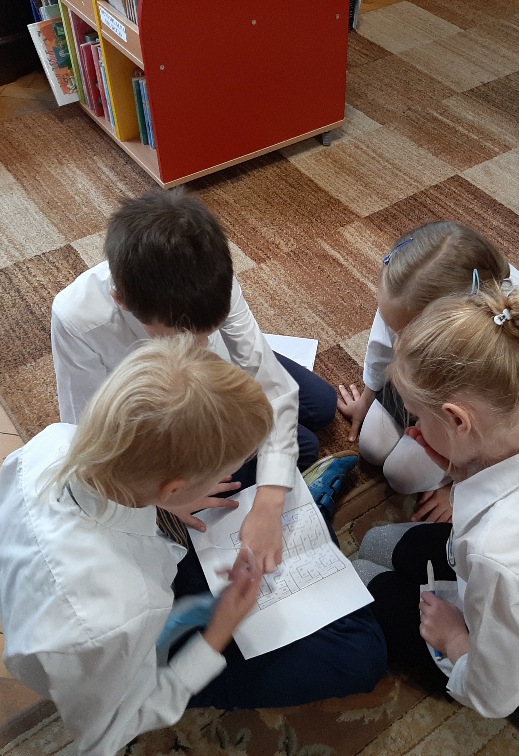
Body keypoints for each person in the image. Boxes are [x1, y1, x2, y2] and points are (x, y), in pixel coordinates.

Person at [0, 338, 386, 756]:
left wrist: (160, 502)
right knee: (361, 653)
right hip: (128, 654)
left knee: (287, 453)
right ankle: (307, 519)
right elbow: (113, 729)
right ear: (173, 486)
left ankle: (296, 513)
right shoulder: (120, 613)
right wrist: (218, 633)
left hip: (118, 558)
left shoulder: (53, 442)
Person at [351, 284, 519, 741]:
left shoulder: (496, 555)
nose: (414, 427)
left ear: (458, 420)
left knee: (362, 575)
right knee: (379, 544)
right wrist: (459, 471)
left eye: (417, 417)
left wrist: (454, 638)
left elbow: (494, 694)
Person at [51, 188, 342, 574]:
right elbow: (87, 436)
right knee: (302, 446)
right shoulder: (77, 318)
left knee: (322, 405)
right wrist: (162, 502)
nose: (201, 346)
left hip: (222, 382)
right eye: (182, 336)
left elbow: (272, 385)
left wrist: (270, 504)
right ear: (121, 301)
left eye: (210, 329)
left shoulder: (209, 272)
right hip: (172, 414)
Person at [337, 221, 519, 524]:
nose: (396, 339)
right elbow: (380, 348)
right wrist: (368, 398)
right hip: (419, 382)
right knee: (372, 447)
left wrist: (461, 485)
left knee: (402, 476)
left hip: (466, 406)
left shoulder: (514, 336)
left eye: (405, 332)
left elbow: (501, 427)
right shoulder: (408, 293)